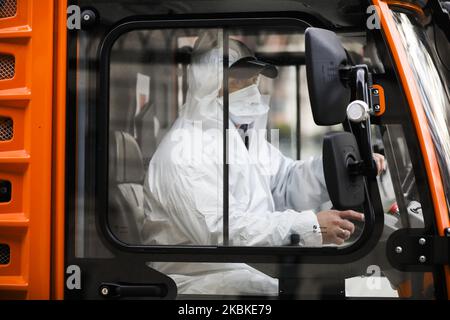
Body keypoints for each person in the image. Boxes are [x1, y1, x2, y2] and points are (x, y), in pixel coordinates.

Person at [141, 32, 385, 296]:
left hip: (245, 268)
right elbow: (225, 231)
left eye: (254, 80)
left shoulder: (237, 138)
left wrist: (341, 170)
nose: (252, 90)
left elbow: (284, 181)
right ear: (209, 84)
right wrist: (311, 227)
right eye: (240, 80)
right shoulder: (185, 151)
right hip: (202, 283)